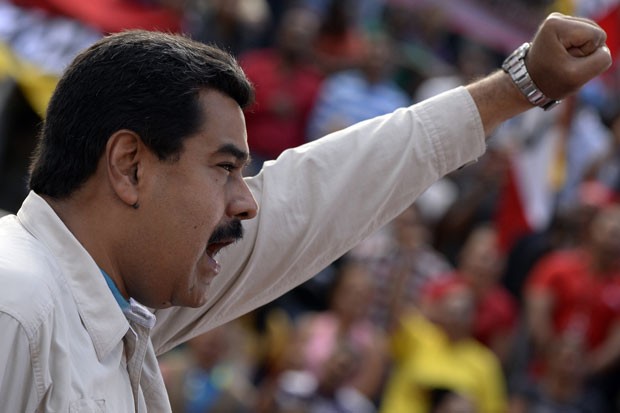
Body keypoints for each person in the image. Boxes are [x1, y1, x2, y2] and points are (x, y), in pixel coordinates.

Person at [0, 12, 611, 412]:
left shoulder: (122, 307)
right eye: (224, 168)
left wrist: (518, 86)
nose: (246, 201)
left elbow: (312, 200)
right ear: (131, 167)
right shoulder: (16, 306)